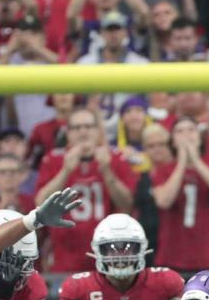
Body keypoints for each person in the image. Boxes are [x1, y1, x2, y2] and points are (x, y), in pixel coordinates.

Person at [34, 107, 136, 273]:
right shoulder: (54, 159)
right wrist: (65, 171)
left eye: (88, 126)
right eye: (77, 127)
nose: (83, 132)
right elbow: (40, 203)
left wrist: (107, 171)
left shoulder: (115, 158)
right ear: (68, 133)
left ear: (98, 131)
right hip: (64, 258)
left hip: (107, 256)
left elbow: (128, 203)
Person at [151, 116, 209, 273]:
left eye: (191, 130)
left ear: (200, 138)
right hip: (172, 258)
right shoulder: (163, 170)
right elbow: (164, 201)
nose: (186, 135)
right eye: (180, 131)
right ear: (173, 141)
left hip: (207, 257)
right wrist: (182, 161)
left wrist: (195, 160)